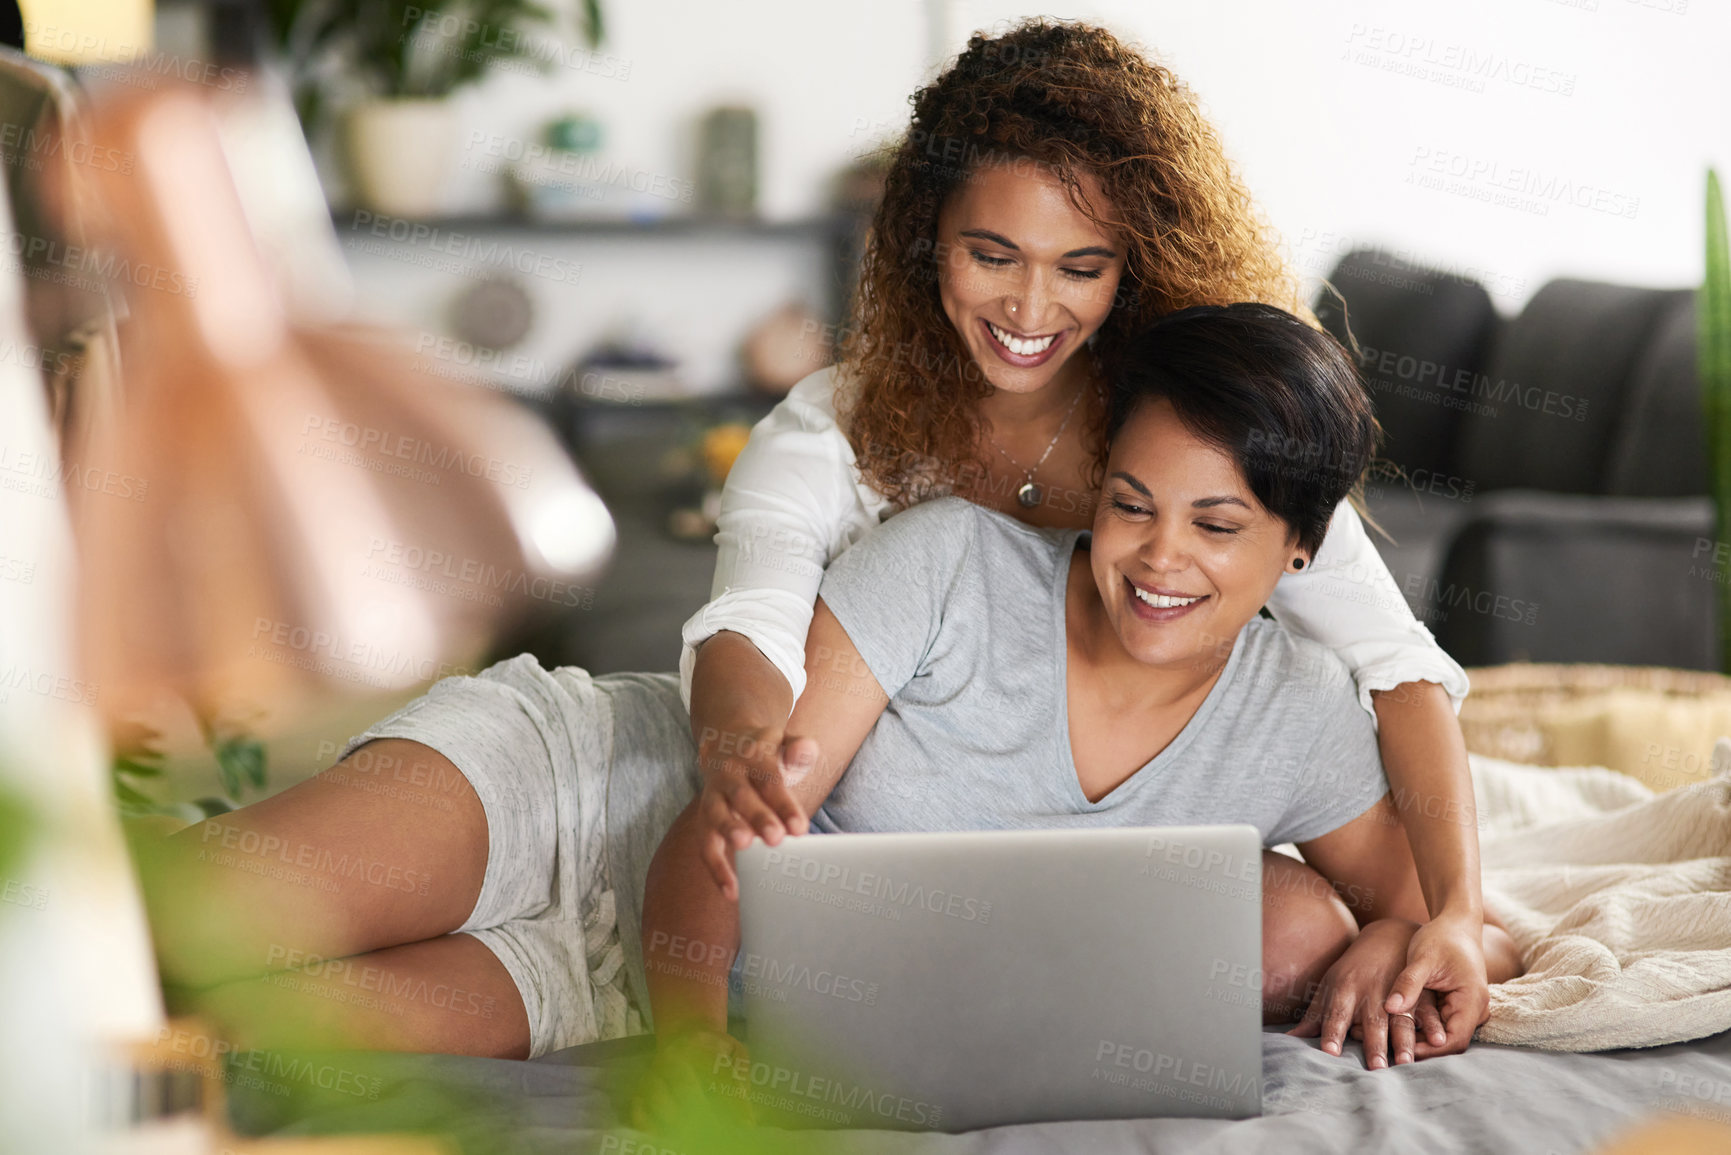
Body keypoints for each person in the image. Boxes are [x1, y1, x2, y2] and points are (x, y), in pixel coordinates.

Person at [137, 306, 1519, 1136]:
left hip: (618, 979)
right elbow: (719, 829)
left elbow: (1435, 898)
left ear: (1298, 553)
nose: (1159, 558)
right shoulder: (950, 564)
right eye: (1132, 502)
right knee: (163, 927)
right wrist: (695, 1084)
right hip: (587, 804)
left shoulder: (1289, 711)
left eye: (1217, 526)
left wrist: (1403, 931)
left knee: (196, 1032)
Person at [681, 18, 1491, 1048]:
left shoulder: (1192, 440)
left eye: (1081, 266)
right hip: (817, 796)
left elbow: (1395, 663)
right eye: (991, 254)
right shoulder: (829, 434)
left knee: (1294, 921)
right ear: (930, 238)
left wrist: (1444, 916)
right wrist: (745, 754)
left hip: (1023, 877)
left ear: (1134, 264)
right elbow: (749, 617)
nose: (1030, 304)